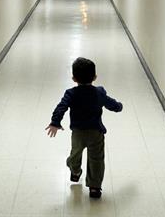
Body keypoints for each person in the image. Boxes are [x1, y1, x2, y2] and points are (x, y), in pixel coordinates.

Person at [45, 57, 123, 199]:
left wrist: (55, 122)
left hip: (78, 133)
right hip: (95, 133)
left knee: (75, 154)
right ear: (95, 77)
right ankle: (94, 185)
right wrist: (119, 106)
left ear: (74, 78)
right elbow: (110, 103)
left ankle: (77, 173)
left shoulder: (71, 93)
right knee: (96, 160)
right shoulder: (99, 92)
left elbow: (61, 107)